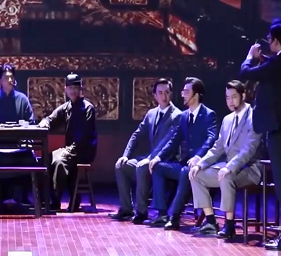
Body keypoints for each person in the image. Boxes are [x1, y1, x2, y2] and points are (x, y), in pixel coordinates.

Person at [239, 19, 281, 254]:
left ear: (275, 40)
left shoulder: (277, 63)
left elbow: (245, 72)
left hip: (278, 127)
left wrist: (250, 57)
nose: (267, 42)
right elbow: (275, 72)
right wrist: (264, 59)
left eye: (269, 39)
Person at [189, 80, 262, 239]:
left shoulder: (254, 117)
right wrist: (200, 164)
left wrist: (229, 167)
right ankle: (210, 221)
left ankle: (229, 225)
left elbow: (249, 149)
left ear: (243, 96)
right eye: (228, 98)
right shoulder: (227, 120)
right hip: (228, 166)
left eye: (234, 97)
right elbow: (217, 148)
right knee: (195, 174)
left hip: (250, 168)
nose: (230, 101)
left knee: (226, 176)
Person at [147, 77, 217, 230]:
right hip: (184, 164)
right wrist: (158, 157)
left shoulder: (208, 114)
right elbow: (174, 140)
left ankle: (174, 217)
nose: (182, 94)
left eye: (186, 91)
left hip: (201, 165)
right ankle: (162, 214)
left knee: (186, 172)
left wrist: (198, 157)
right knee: (158, 167)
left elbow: (211, 139)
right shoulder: (184, 116)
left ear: (196, 95)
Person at [111, 78, 181, 224]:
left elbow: (169, 142)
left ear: (171, 94)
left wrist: (151, 158)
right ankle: (126, 209)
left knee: (142, 166)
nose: (164, 96)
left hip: (166, 159)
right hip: (150, 156)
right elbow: (136, 135)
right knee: (121, 166)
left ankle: (141, 212)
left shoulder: (177, 115)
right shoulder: (151, 113)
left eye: (167, 92)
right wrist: (125, 155)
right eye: (160, 93)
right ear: (155, 96)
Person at [39, 73, 97, 211]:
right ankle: (44, 198)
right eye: (70, 88)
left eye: (76, 88)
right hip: (70, 149)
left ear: (81, 89)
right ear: (66, 89)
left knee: (59, 162)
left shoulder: (88, 108)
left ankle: (56, 200)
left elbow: (84, 136)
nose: (73, 91)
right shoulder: (66, 107)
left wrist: (69, 151)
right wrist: (44, 122)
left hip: (84, 150)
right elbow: (51, 119)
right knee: (46, 158)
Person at [0, 64, 36, 206]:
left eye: (12, 76)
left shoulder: (22, 99)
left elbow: (31, 122)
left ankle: (22, 195)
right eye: (6, 77)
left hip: (19, 144)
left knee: (29, 156)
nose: (10, 79)